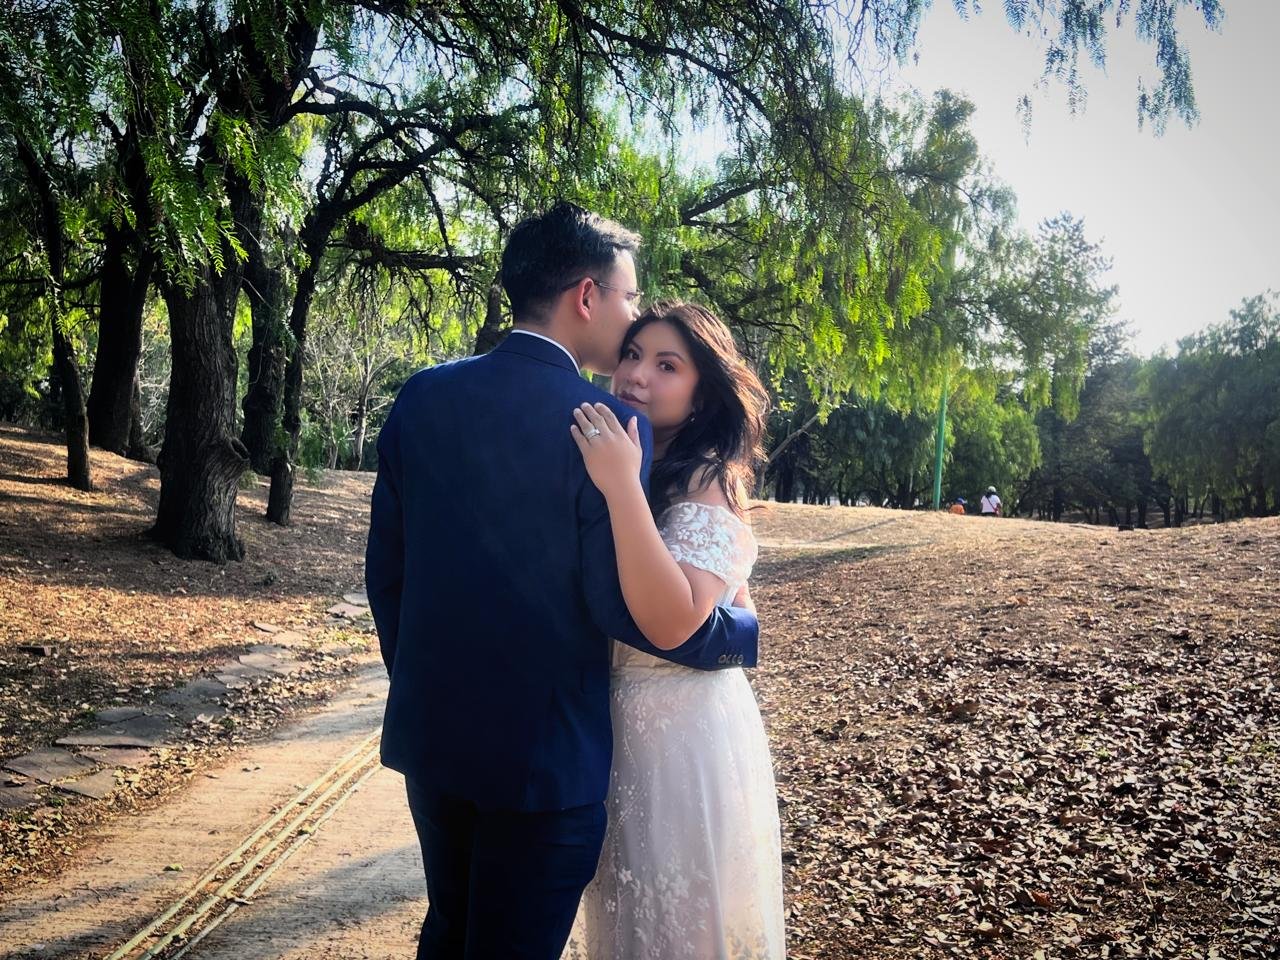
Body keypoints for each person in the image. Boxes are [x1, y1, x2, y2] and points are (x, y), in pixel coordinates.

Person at [365, 204, 759, 960]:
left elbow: (388, 572)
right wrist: (735, 633)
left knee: (449, 930)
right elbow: (623, 609)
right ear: (587, 296)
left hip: (435, 740)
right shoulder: (605, 424)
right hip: (545, 766)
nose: (632, 313)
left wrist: (424, 681)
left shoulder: (423, 395)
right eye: (628, 297)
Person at [563, 301, 785, 959]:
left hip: (684, 734)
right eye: (632, 355)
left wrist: (621, 488)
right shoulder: (629, 460)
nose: (637, 374)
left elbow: (672, 619)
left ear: (702, 393)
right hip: (616, 728)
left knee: (682, 926)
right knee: (630, 921)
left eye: (667, 365)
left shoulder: (704, 479)